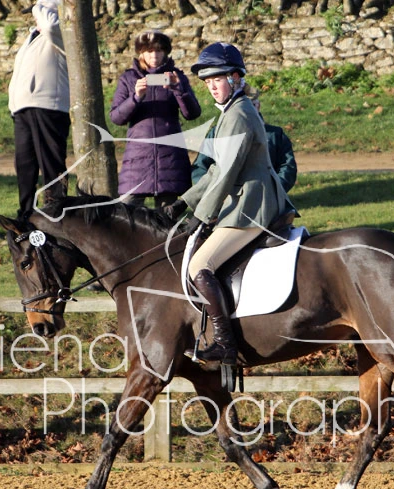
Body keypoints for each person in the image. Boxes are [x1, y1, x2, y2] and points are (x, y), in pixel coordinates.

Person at [162, 42, 294, 365]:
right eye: (207, 82)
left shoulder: (239, 115)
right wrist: (184, 202)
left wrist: (201, 215)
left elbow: (226, 173)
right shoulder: (231, 112)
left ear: (235, 78)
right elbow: (215, 169)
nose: (211, 87)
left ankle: (225, 344)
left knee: (199, 266)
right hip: (246, 201)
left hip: (253, 207)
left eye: (217, 80)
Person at [109, 30, 201, 208]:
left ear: (165, 52)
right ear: (141, 53)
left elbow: (193, 113)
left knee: (166, 219)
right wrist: (136, 97)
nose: (154, 55)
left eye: (159, 50)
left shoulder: (177, 76)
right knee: (125, 214)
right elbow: (116, 118)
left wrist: (178, 90)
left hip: (170, 159)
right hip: (137, 160)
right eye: (149, 51)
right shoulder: (128, 78)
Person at [8, 0, 70, 218]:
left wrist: (38, 6)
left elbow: (51, 26)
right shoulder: (32, 36)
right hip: (23, 109)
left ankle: (56, 212)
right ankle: (26, 214)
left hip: (48, 107)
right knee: (24, 166)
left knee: (51, 163)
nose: (35, 16)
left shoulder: (63, 34)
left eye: (42, 12)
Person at [191, 89, 297, 193]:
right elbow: (200, 167)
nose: (246, 111)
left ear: (258, 106)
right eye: (240, 107)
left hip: (265, 196)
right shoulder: (216, 134)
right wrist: (214, 193)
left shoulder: (275, 135)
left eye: (251, 105)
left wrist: (274, 191)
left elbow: (288, 167)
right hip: (225, 197)